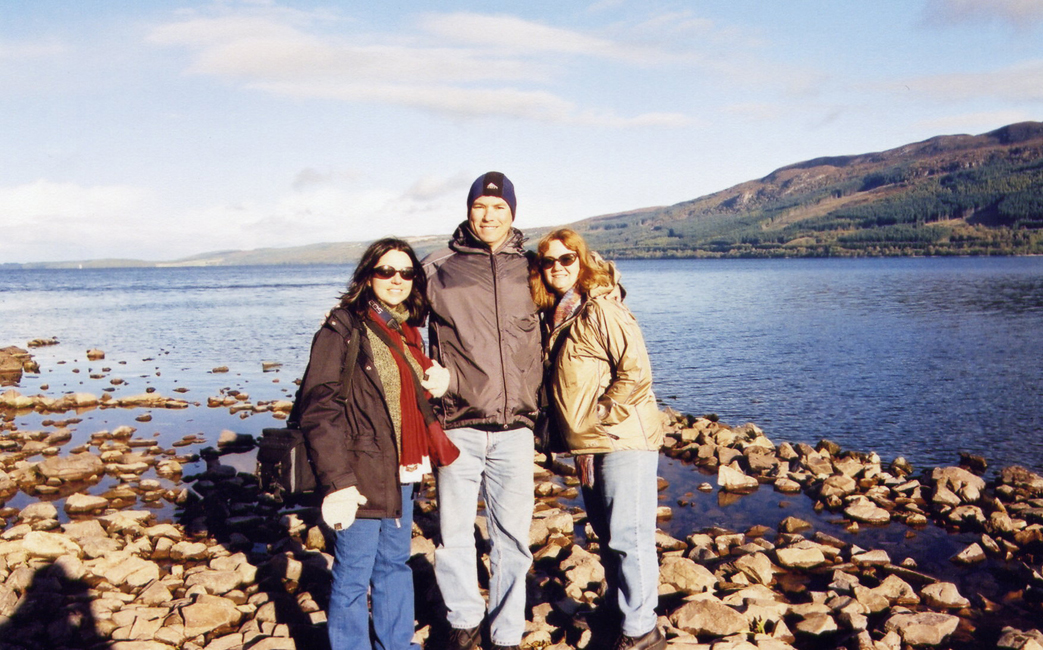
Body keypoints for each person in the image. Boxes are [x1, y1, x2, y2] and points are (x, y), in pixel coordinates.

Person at [298, 238, 457, 650]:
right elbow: (318, 408)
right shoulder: (343, 327)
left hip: (402, 470)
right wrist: (338, 482)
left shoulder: (406, 331)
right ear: (368, 276)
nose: (396, 279)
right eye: (386, 271)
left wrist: (436, 378)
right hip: (359, 473)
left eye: (406, 272)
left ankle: (396, 644)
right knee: (353, 573)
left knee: (394, 566)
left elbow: (404, 398)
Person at [530, 228, 666, 650]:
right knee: (607, 533)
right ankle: (617, 608)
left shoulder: (602, 308)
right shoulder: (559, 314)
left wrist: (600, 414)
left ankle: (642, 630)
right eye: (548, 261)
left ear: (582, 260)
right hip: (590, 444)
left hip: (622, 438)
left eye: (566, 259)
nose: (557, 268)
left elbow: (636, 373)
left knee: (629, 535)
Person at [423, 172, 542, 650]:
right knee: (454, 533)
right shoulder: (437, 267)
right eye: (480, 206)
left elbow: (575, 305)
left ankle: (507, 632)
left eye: (498, 208)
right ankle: (464, 621)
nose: (488, 216)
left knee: (513, 538)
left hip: (517, 428)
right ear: (469, 209)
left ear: (512, 213)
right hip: (458, 423)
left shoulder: (532, 267)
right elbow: (395, 324)